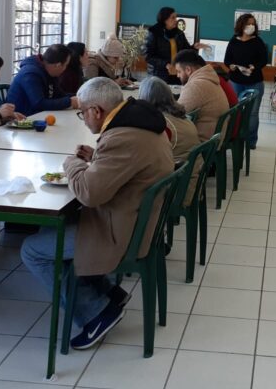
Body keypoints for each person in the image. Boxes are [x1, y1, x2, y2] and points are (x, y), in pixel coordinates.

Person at [21, 78, 173, 350]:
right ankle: (108, 292)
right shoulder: (141, 123)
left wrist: (72, 164)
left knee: (32, 250)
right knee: (50, 229)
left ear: (96, 111)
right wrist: (96, 158)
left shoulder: (122, 137)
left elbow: (89, 193)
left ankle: (95, 313)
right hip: (137, 218)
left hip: (122, 230)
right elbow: (129, 164)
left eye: (83, 113)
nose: (84, 119)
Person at [138, 76, 202, 205]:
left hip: (176, 190)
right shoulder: (179, 116)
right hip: (188, 179)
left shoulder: (162, 124)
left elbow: (148, 157)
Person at [224, 13, 267, 149]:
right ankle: (233, 139)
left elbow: (264, 60)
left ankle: (251, 142)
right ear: (241, 25)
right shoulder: (233, 40)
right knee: (234, 111)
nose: (251, 26)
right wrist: (231, 65)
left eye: (253, 24)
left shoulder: (258, 41)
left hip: (254, 82)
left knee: (252, 113)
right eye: (248, 23)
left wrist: (254, 67)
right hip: (235, 82)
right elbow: (227, 59)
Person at [7, 44, 79, 117]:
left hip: (39, 114)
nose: (66, 69)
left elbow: (59, 95)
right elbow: (39, 103)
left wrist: (80, 96)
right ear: (57, 65)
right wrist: (69, 102)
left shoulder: (49, 71)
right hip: (22, 118)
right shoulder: (30, 73)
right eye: (66, 65)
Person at [174, 49, 229, 142]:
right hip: (214, 139)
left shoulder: (196, 85)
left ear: (188, 70)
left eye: (179, 71)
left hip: (203, 143)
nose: (177, 75)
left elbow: (175, 116)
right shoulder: (208, 78)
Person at [143, 7, 202, 84]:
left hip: (177, 74)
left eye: (176, 17)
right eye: (173, 18)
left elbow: (186, 51)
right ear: (165, 19)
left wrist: (194, 47)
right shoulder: (154, 32)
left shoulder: (179, 33)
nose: (176, 20)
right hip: (158, 75)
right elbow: (148, 56)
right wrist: (165, 64)